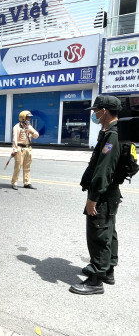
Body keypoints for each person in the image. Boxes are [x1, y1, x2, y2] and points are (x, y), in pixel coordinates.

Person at [70, 95, 123, 295]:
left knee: (98, 235)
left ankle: (95, 280)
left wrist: (93, 198)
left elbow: (103, 170)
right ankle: (108, 271)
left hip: (103, 194)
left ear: (105, 111)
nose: (94, 114)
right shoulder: (111, 131)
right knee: (108, 232)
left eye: (96, 111)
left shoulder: (112, 135)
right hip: (110, 194)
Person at [11, 110, 40, 190]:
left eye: (29, 117)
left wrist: (31, 131)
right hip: (20, 148)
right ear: (23, 118)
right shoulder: (16, 127)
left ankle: (27, 182)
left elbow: (36, 135)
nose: (29, 119)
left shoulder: (29, 126)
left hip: (28, 148)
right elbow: (15, 140)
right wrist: (15, 149)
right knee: (18, 167)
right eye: (28, 117)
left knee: (27, 167)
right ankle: (14, 182)